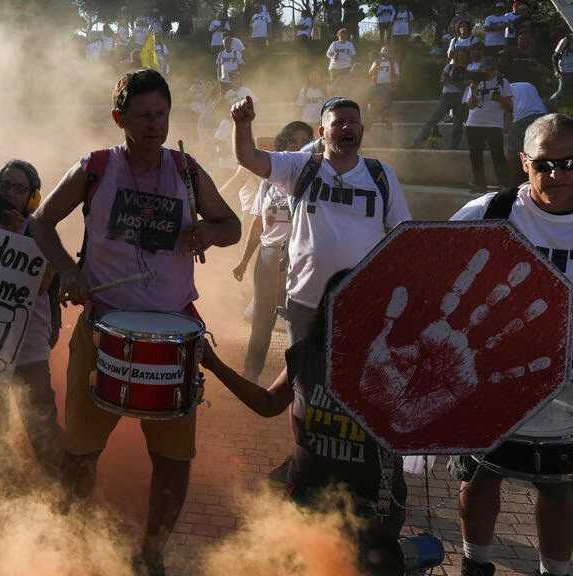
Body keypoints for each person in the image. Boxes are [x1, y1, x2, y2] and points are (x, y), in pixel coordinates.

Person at [28, 69, 241, 576]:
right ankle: (75, 547)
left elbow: (232, 225)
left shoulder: (186, 170)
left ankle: (152, 554)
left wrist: (207, 234)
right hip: (103, 328)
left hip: (173, 333)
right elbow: (41, 222)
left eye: (162, 115)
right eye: (143, 116)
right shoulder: (97, 167)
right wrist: (66, 270)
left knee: (172, 459)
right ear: (119, 118)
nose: (154, 125)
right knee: (79, 452)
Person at [200, 270, 407, 575]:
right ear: (330, 309)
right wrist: (215, 364)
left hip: (371, 506)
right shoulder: (306, 356)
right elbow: (269, 404)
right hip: (305, 493)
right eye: (347, 305)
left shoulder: (397, 365)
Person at [449, 112, 573, 576]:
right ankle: (475, 564)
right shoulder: (491, 213)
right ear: (524, 162)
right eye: (545, 164)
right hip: (491, 380)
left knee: (561, 489)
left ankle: (556, 572)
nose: (557, 175)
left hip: (568, 389)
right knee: (479, 477)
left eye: (569, 163)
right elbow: (435, 275)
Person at [230, 95, 411, 344]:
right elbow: (249, 158)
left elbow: (401, 235)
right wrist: (242, 124)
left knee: (348, 376)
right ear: (322, 132)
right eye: (338, 123)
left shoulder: (381, 174)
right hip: (305, 302)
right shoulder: (301, 166)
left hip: (361, 302)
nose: (347, 127)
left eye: (353, 122)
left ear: (362, 129)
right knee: (304, 378)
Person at [0, 159, 64, 479]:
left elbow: (45, 281)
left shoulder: (40, 229)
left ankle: (64, 494)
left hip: (28, 345)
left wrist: (16, 234)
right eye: (5, 185)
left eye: (19, 188)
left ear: (32, 197)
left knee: (40, 425)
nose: (10, 193)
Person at [231, 122, 313, 381]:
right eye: (293, 141)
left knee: (296, 321)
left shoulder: (314, 182)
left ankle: (298, 380)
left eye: (304, 142)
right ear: (284, 143)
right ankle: (251, 373)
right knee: (262, 318)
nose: (297, 147)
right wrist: (244, 260)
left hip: (298, 260)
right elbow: (258, 224)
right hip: (268, 256)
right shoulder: (269, 182)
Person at [463, 57, 513, 194]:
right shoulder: (475, 82)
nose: (486, 72)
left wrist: (500, 99)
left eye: (488, 70)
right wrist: (473, 92)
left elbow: (510, 108)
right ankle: (480, 184)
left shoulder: (503, 82)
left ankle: (504, 185)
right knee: (475, 156)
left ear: (494, 69)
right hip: (473, 123)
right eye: (484, 70)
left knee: (498, 156)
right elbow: (470, 105)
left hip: (494, 125)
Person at [413, 50, 471, 150]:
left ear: (467, 57)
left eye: (463, 55)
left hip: (460, 97)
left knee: (457, 125)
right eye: (459, 55)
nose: (460, 57)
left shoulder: (468, 68)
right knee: (432, 120)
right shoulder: (449, 66)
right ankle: (418, 142)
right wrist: (453, 81)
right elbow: (442, 81)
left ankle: (454, 146)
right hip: (446, 96)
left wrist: (450, 80)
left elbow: (463, 86)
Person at [506, 82, 550, 183]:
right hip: (543, 117)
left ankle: (512, 182)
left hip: (522, 119)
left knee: (512, 151)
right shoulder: (529, 85)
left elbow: (508, 107)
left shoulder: (506, 88)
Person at [368, 46, 400, 130]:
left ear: (389, 53)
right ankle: (370, 123)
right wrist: (376, 67)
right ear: (380, 52)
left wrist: (394, 85)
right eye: (383, 51)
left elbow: (397, 75)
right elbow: (370, 72)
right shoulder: (376, 62)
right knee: (373, 104)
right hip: (376, 85)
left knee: (386, 104)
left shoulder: (393, 63)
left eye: (386, 51)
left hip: (387, 85)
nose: (384, 53)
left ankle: (387, 123)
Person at [551, 33, 573, 106]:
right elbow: (554, 56)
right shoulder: (565, 40)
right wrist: (556, 71)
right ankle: (550, 103)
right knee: (561, 91)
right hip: (564, 70)